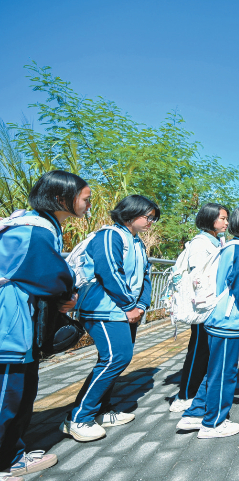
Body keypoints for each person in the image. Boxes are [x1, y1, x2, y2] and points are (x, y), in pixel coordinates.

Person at [0, 170, 88, 479]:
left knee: (19, 391)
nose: (88, 204)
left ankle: (12, 453)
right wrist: (70, 291)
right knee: (9, 395)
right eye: (85, 198)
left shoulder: (31, 223)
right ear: (61, 198)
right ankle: (6, 461)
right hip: (11, 325)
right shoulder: (34, 231)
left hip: (17, 322)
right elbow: (52, 276)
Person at [61, 195, 158, 442]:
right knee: (116, 358)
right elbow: (109, 272)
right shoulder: (110, 236)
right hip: (102, 309)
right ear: (129, 213)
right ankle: (78, 417)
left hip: (125, 311)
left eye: (153, 218)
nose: (151, 222)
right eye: (147, 216)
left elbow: (146, 275)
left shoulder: (136, 242)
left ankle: (101, 410)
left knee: (114, 359)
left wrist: (141, 306)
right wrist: (129, 305)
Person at [176, 207, 239, 439]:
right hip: (226, 320)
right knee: (225, 374)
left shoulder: (228, 246)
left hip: (216, 318)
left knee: (214, 371)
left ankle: (195, 413)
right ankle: (214, 423)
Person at [169, 203, 229, 413]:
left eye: (226, 218)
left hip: (211, 304)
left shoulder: (216, 241)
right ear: (210, 219)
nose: (226, 222)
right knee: (198, 349)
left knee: (204, 349)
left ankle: (195, 392)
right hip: (203, 306)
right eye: (222, 218)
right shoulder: (200, 243)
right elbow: (199, 276)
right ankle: (185, 395)